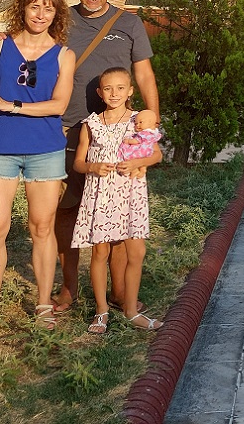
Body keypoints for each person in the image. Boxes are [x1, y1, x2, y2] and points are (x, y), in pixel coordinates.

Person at [55, 0, 159, 313]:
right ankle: (69, 288)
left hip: (119, 136)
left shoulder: (129, 23)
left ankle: (117, 294)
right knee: (66, 213)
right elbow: (33, 49)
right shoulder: (61, 20)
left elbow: (144, 74)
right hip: (70, 130)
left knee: (115, 219)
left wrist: (151, 118)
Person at [0, 0, 75, 328]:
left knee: (42, 228)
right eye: (34, 7)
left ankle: (44, 303)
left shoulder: (64, 55)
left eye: (48, 9)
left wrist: (11, 105)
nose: (40, 15)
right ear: (23, 9)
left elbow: (59, 105)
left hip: (45, 150)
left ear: (56, 15)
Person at [73, 67, 164, 332]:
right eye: (109, 89)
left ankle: (131, 309)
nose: (114, 94)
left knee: (136, 251)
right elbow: (79, 162)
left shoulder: (138, 120)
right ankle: (101, 310)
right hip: (100, 193)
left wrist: (139, 160)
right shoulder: (91, 124)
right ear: (100, 93)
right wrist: (92, 167)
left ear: (130, 91)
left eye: (121, 88)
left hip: (130, 194)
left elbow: (156, 154)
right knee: (100, 252)